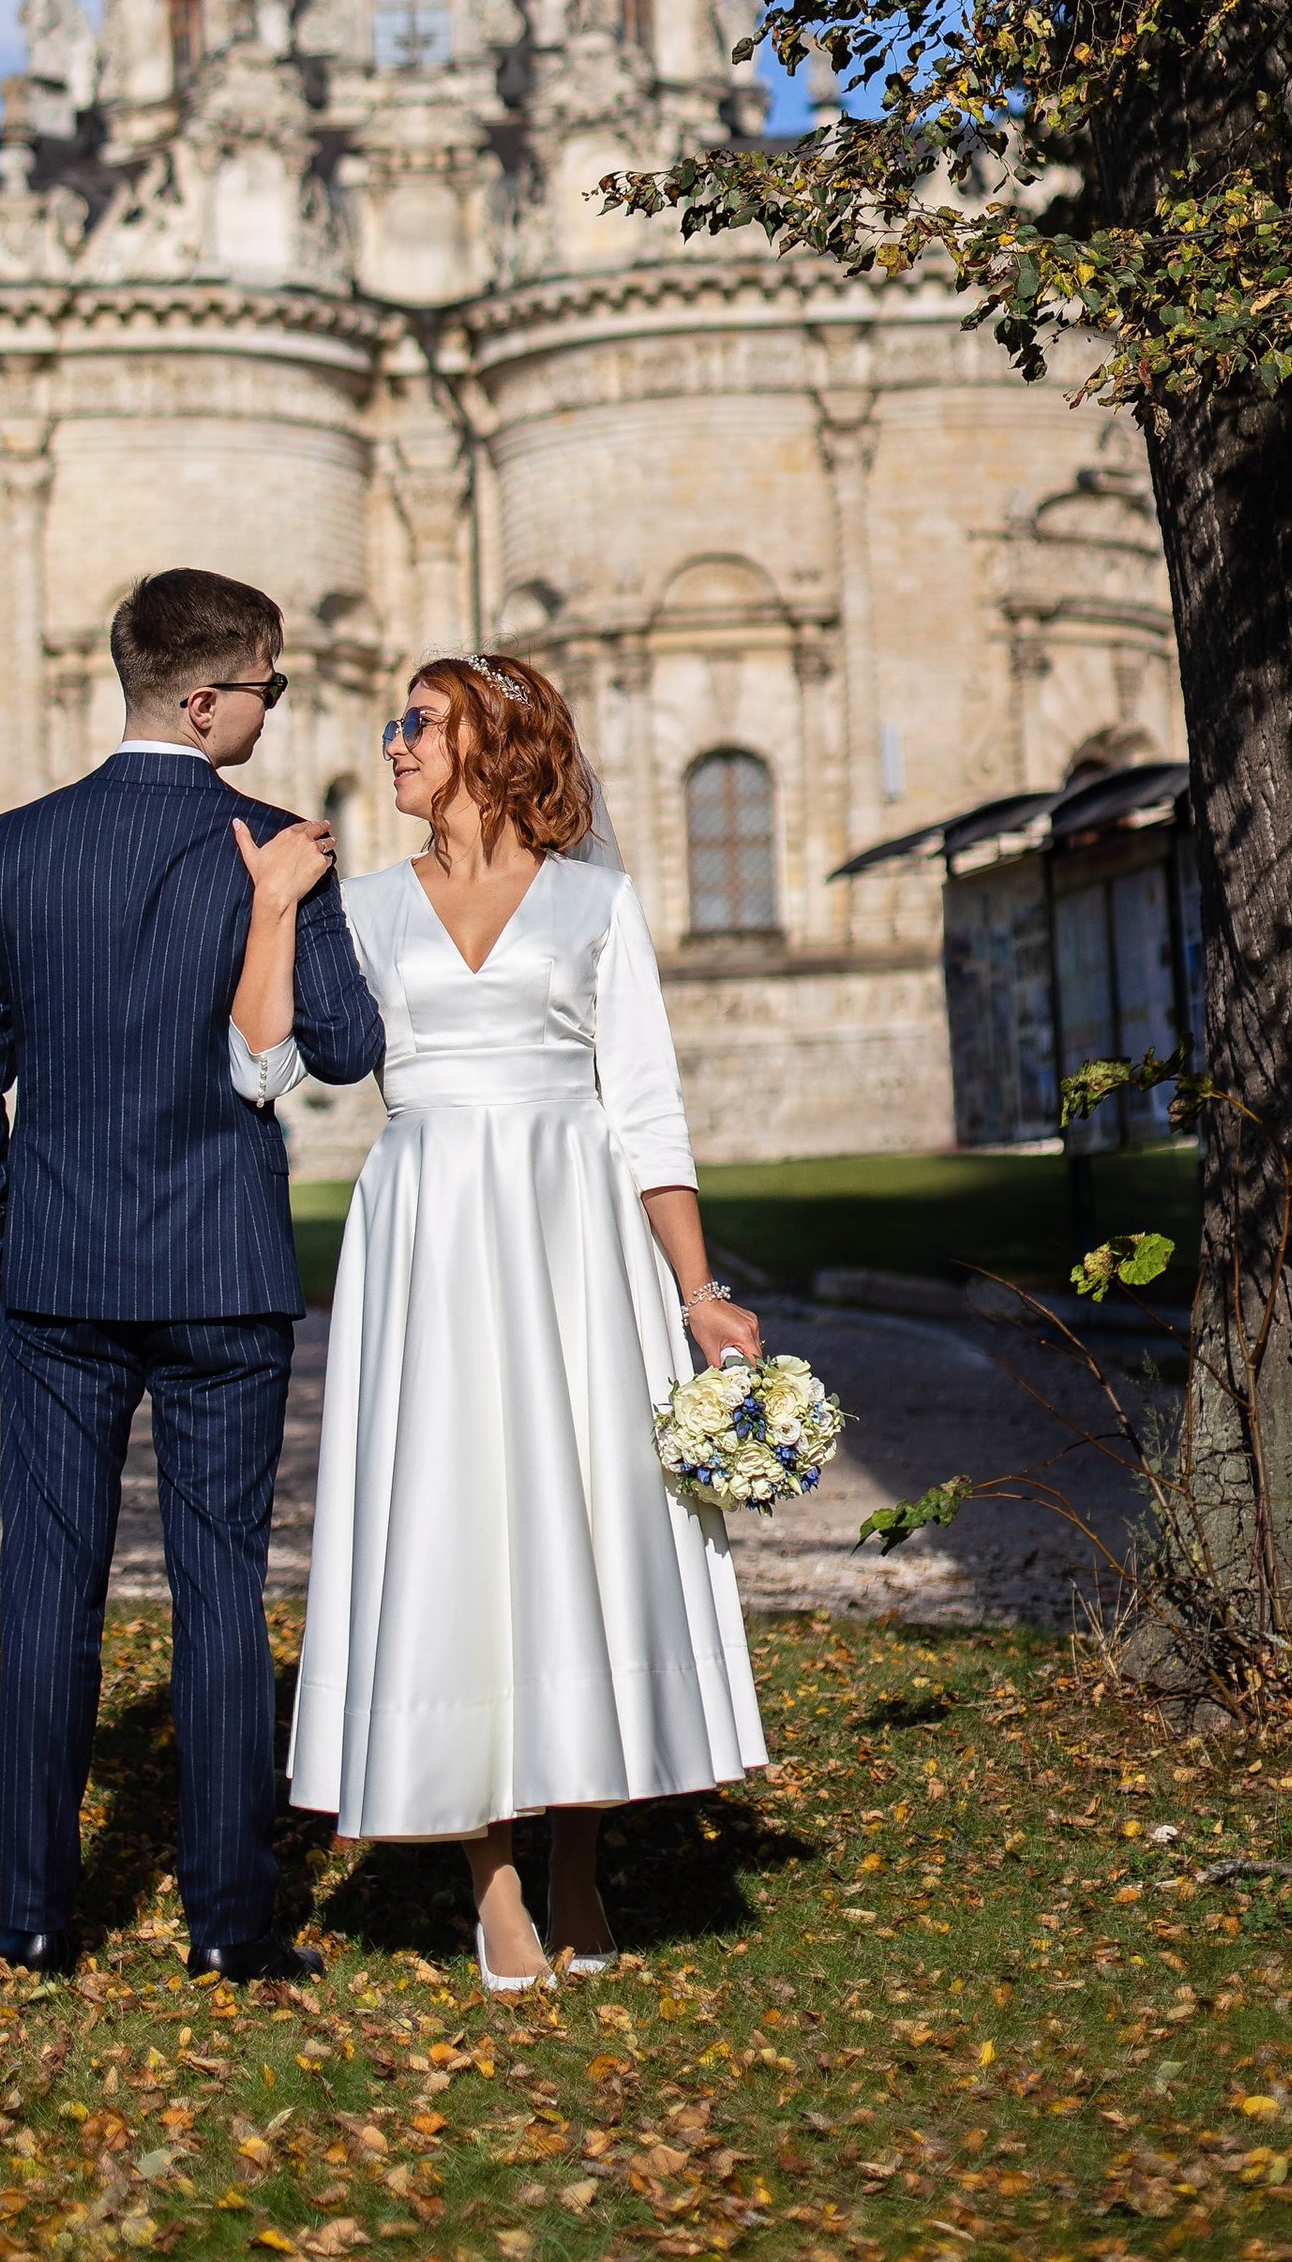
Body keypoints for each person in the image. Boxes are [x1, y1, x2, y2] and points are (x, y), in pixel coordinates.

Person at [274, 651, 767, 1989]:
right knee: (450, 1540)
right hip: (427, 1239)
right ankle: (489, 1885)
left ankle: (573, 1861)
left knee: (579, 1533)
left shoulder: (597, 905)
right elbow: (265, 1060)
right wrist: (273, 916)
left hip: (572, 1240)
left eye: (419, 724)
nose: (393, 745)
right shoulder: (362, 909)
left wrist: (698, 1289)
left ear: (497, 746)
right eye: (396, 724)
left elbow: (646, 1107)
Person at [0, 564, 385, 1982]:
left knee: (48, 1589)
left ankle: (40, 1914)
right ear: (203, 699)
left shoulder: (13, 849)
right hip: (223, 1274)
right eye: (269, 686)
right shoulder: (277, 845)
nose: (275, 707)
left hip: (58, 1274)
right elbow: (350, 1050)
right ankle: (235, 1924)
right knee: (219, 1592)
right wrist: (296, 905)